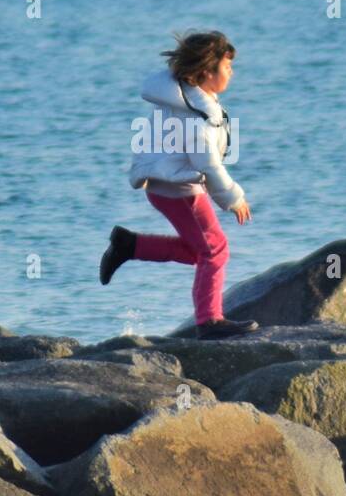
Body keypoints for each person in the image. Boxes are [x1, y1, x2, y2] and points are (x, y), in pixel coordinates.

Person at [101, 30, 259, 339]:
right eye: (227, 67)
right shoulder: (196, 113)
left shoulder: (184, 97)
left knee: (200, 250)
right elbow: (207, 163)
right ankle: (209, 321)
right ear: (205, 73)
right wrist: (232, 197)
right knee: (215, 250)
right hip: (179, 191)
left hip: (169, 187)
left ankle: (130, 245)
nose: (232, 72)